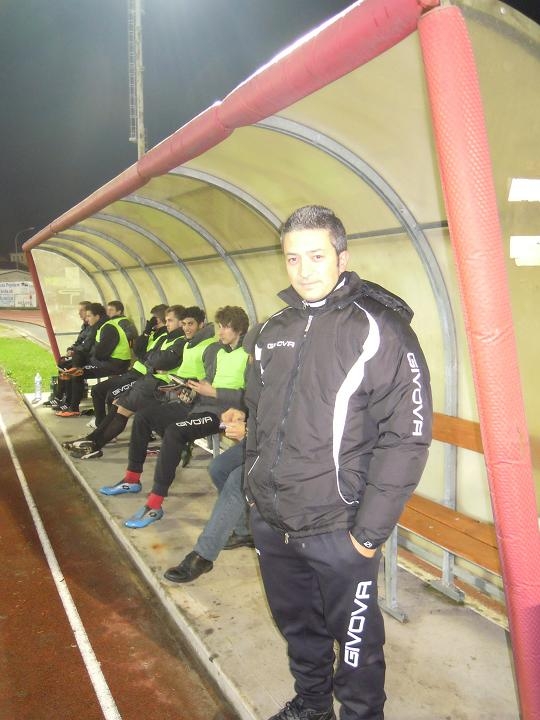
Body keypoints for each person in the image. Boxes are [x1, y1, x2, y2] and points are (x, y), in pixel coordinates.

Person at [244, 205, 432, 720]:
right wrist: (253, 496)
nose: (304, 270)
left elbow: (408, 436)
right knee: (298, 630)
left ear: (342, 258)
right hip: (274, 522)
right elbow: (258, 418)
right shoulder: (271, 330)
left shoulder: (380, 328)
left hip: (338, 527)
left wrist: (368, 534)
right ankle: (312, 707)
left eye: (316, 256)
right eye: (293, 258)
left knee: (356, 651)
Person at [100, 306, 250, 530]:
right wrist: (191, 392)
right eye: (219, 326)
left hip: (224, 413)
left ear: (239, 329)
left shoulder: (248, 355)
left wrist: (215, 393)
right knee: (143, 417)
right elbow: (209, 382)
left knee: (174, 432)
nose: (220, 332)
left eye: (225, 327)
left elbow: (250, 397)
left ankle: (154, 504)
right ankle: (132, 479)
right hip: (201, 406)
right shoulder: (219, 351)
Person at [66, 304, 186, 457]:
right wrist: (149, 339)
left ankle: (94, 445)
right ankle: (91, 440)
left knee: (120, 407)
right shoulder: (166, 338)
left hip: (159, 385)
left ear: (180, 322)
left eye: (170, 320)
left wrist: (155, 364)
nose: (166, 324)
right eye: (166, 320)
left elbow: (160, 360)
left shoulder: (180, 340)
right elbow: (144, 354)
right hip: (149, 379)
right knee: (117, 404)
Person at [164, 409, 253, 584]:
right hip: (261, 440)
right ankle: (244, 531)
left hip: (288, 449)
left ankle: (204, 556)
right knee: (218, 468)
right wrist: (242, 414)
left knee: (238, 480)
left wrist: (251, 430)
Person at [89, 304, 168, 426]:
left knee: (112, 395)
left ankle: (108, 428)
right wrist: (146, 333)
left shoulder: (164, 337)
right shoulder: (153, 334)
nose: (151, 321)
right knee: (97, 389)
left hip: (143, 375)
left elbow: (147, 356)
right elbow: (137, 350)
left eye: (153, 318)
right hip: (134, 372)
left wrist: (143, 352)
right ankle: (100, 424)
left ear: (158, 320)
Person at [55, 302, 132, 417]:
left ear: (97, 316)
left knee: (77, 372)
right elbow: (93, 350)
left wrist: (87, 358)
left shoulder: (108, 328)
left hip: (116, 364)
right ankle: (68, 404)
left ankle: (73, 408)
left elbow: (100, 354)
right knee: (73, 368)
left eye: (89, 316)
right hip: (108, 361)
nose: (87, 319)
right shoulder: (101, 326)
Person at [46, 300, 92, 408]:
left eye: (82, 310)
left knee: (67, 366)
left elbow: (88, 346)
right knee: (62, 362)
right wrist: (71, 349)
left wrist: (74, 351)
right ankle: (60, 397)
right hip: (79, 355)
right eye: (79, 310)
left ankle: (67, 401)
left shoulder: (93, 327)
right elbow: (79, 342)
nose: (79, 313)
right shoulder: (85, 326)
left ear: (88, 312)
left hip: (86, 357)